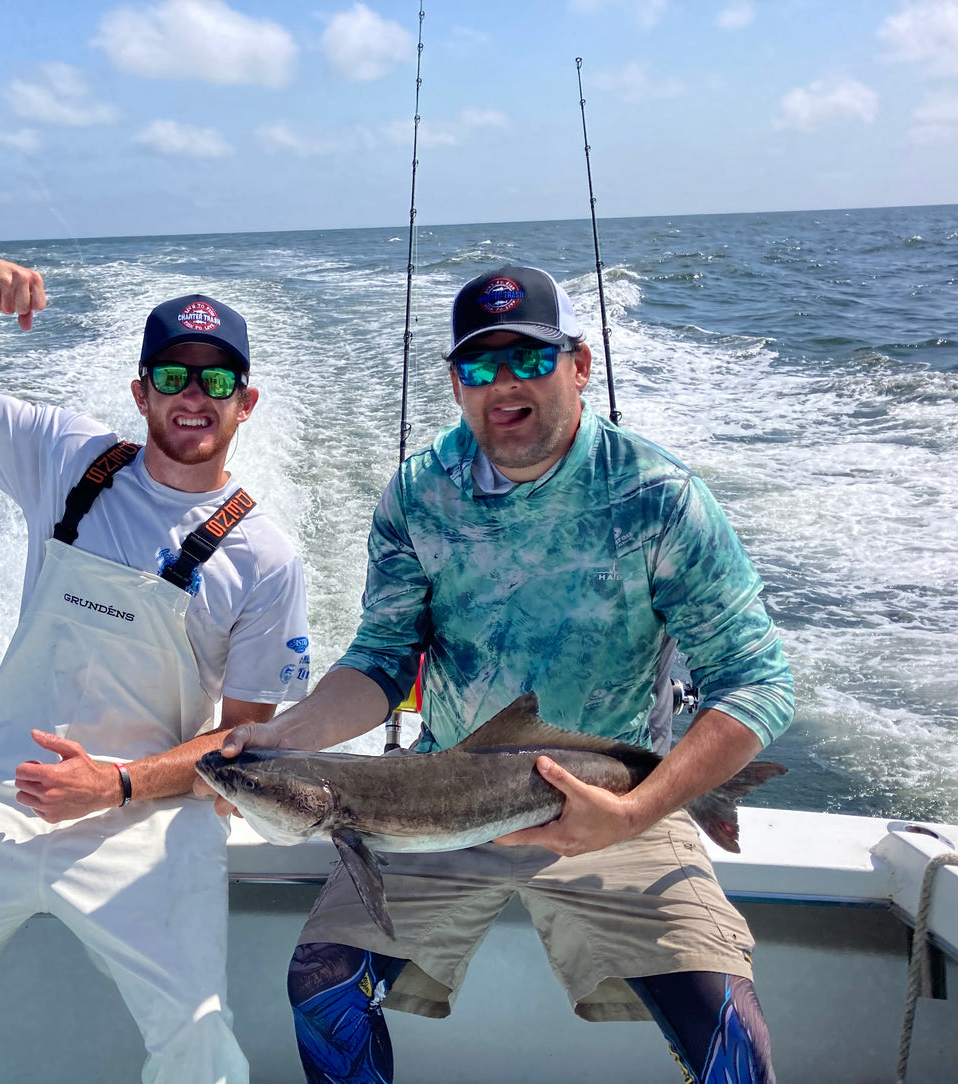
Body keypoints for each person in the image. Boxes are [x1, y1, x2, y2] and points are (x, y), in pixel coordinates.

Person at [208, 266, 794, 1083]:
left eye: (529, 359)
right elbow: (381, 660)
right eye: (479, 368)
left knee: (726, 1027)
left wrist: (636, 810)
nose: (504, 385)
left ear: (578, 365)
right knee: (321, 987)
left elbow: (754, 682)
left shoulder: (658, 498)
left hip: (616, 795)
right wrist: (286, 734)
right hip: (436, 791)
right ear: (456, 384)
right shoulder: (418, 493)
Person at [0, 258, 310, 1084]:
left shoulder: (266, 558)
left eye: (217, 380)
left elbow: (250, 740)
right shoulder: (66, 456)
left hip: (149, 812)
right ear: (141, 392)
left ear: (245, 402)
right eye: (173, 374)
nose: (194, 395)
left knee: (196, 1040)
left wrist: (117, 786)